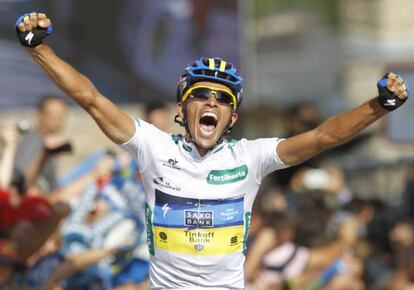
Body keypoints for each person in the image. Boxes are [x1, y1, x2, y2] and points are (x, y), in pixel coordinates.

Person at [15, 12, 410, 289]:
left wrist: (379, 107)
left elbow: (324, 136)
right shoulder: (153, 146)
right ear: (182, 109)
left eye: (222, 99)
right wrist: (37, 48)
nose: (211, 104)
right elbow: (93, 100)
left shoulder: (250, 157)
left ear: (232, 118)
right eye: (200, 96)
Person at [14, 95, 69, 194]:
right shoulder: (32, 141)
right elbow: (22, 180)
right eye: (54, 116)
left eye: (61, 116)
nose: (59, 121)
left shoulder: (49, 141)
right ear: (41, 116)